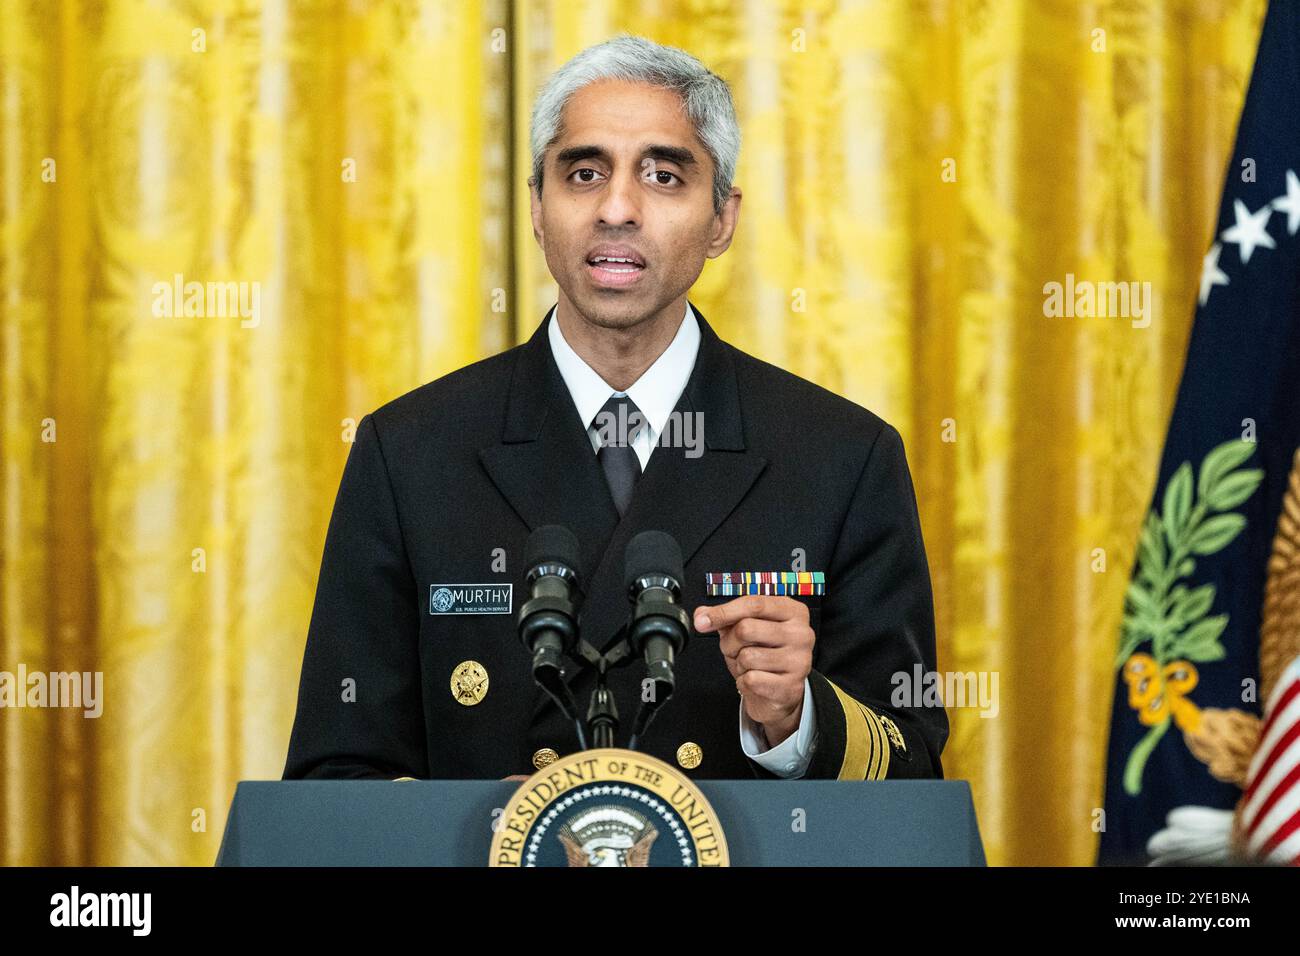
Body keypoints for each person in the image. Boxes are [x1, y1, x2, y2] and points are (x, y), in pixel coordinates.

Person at [283, 34, 947, 782]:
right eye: (584, 172)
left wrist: (798, 720)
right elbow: (334, 778)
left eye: (664, 175)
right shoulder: (410, 454)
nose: (618, 209)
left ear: (722, 220)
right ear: (536, 207)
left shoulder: (840, 459)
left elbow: (914, 775)